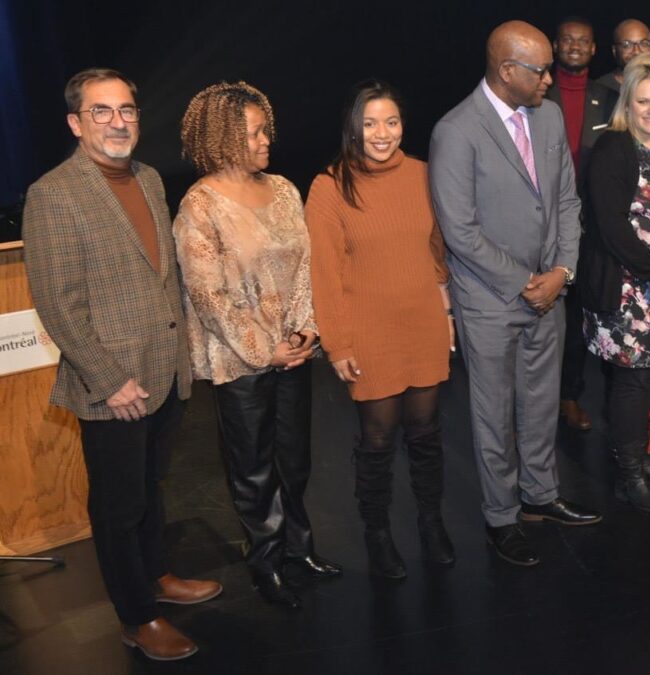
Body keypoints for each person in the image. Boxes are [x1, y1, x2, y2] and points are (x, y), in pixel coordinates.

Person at [24, 68, 221, 662]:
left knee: (150, 489)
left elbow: (162, 277)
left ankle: (155, 575)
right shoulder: (54, 194)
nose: (117, 122)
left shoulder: (150, 178)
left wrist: (183, 355)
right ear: (75, 123)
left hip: (163, 370)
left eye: (126, 110)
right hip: (113, 383)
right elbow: (57, 304)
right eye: (102, 111)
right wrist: (110, 381)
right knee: (118, 505)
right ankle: (137, 618)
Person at [429, 20, 601, 567]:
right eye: (540, 70)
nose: (551, 78)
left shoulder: (546, 116)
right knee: (494, 414)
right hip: (491, 299)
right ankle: (501, 517)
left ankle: (539, 495)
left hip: (550, 292)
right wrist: (524, 283)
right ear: (506, 70)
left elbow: (567, 201)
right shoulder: (456, 131)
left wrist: (562, 271)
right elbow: (459, 231)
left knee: (542, 402)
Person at [175, 81, 339, 610]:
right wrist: (264, 348)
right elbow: (207, 294)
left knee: (295, 458)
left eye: (265, 129)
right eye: (254, 133)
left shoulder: (285, 190)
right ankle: (266, 562)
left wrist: (305, 330)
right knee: (254, 468)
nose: (267, 139)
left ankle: (300, 550)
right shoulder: (200, 205)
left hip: (293, 351)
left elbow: (306, 267)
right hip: (241, 358)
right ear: (222, 138)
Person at [306, 80, 457, 578]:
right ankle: (377, 532)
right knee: (377, 439)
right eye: (370, 123)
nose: (382, 133)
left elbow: (436, 250)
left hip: (423, 321)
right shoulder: (329, 186)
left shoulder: (423, 174)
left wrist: (445, 309)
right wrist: (337, 344)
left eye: (391, 122)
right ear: (354, 127)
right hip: (369, 330)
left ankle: (431, 522)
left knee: (426, 432)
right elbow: (325, 273)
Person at [579, 58, 650, 513]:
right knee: (632, 380)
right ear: (627, 103)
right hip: (627, 289)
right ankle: (628, 477)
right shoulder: (613, 148)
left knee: (648, 376)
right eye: (643, 101)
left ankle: (637, 463)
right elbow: (612, 229)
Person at [545, 16, 613, 432]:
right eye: (567, 40)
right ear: (555, 46)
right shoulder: (537, 92)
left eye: (582, 41)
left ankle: (569, 395)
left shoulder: (608, 97)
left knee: (576, 317)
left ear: (593, 49)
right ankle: (532, 402)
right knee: (540, 317)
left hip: (592, 223)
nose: (574, 46)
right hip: (543, 222)